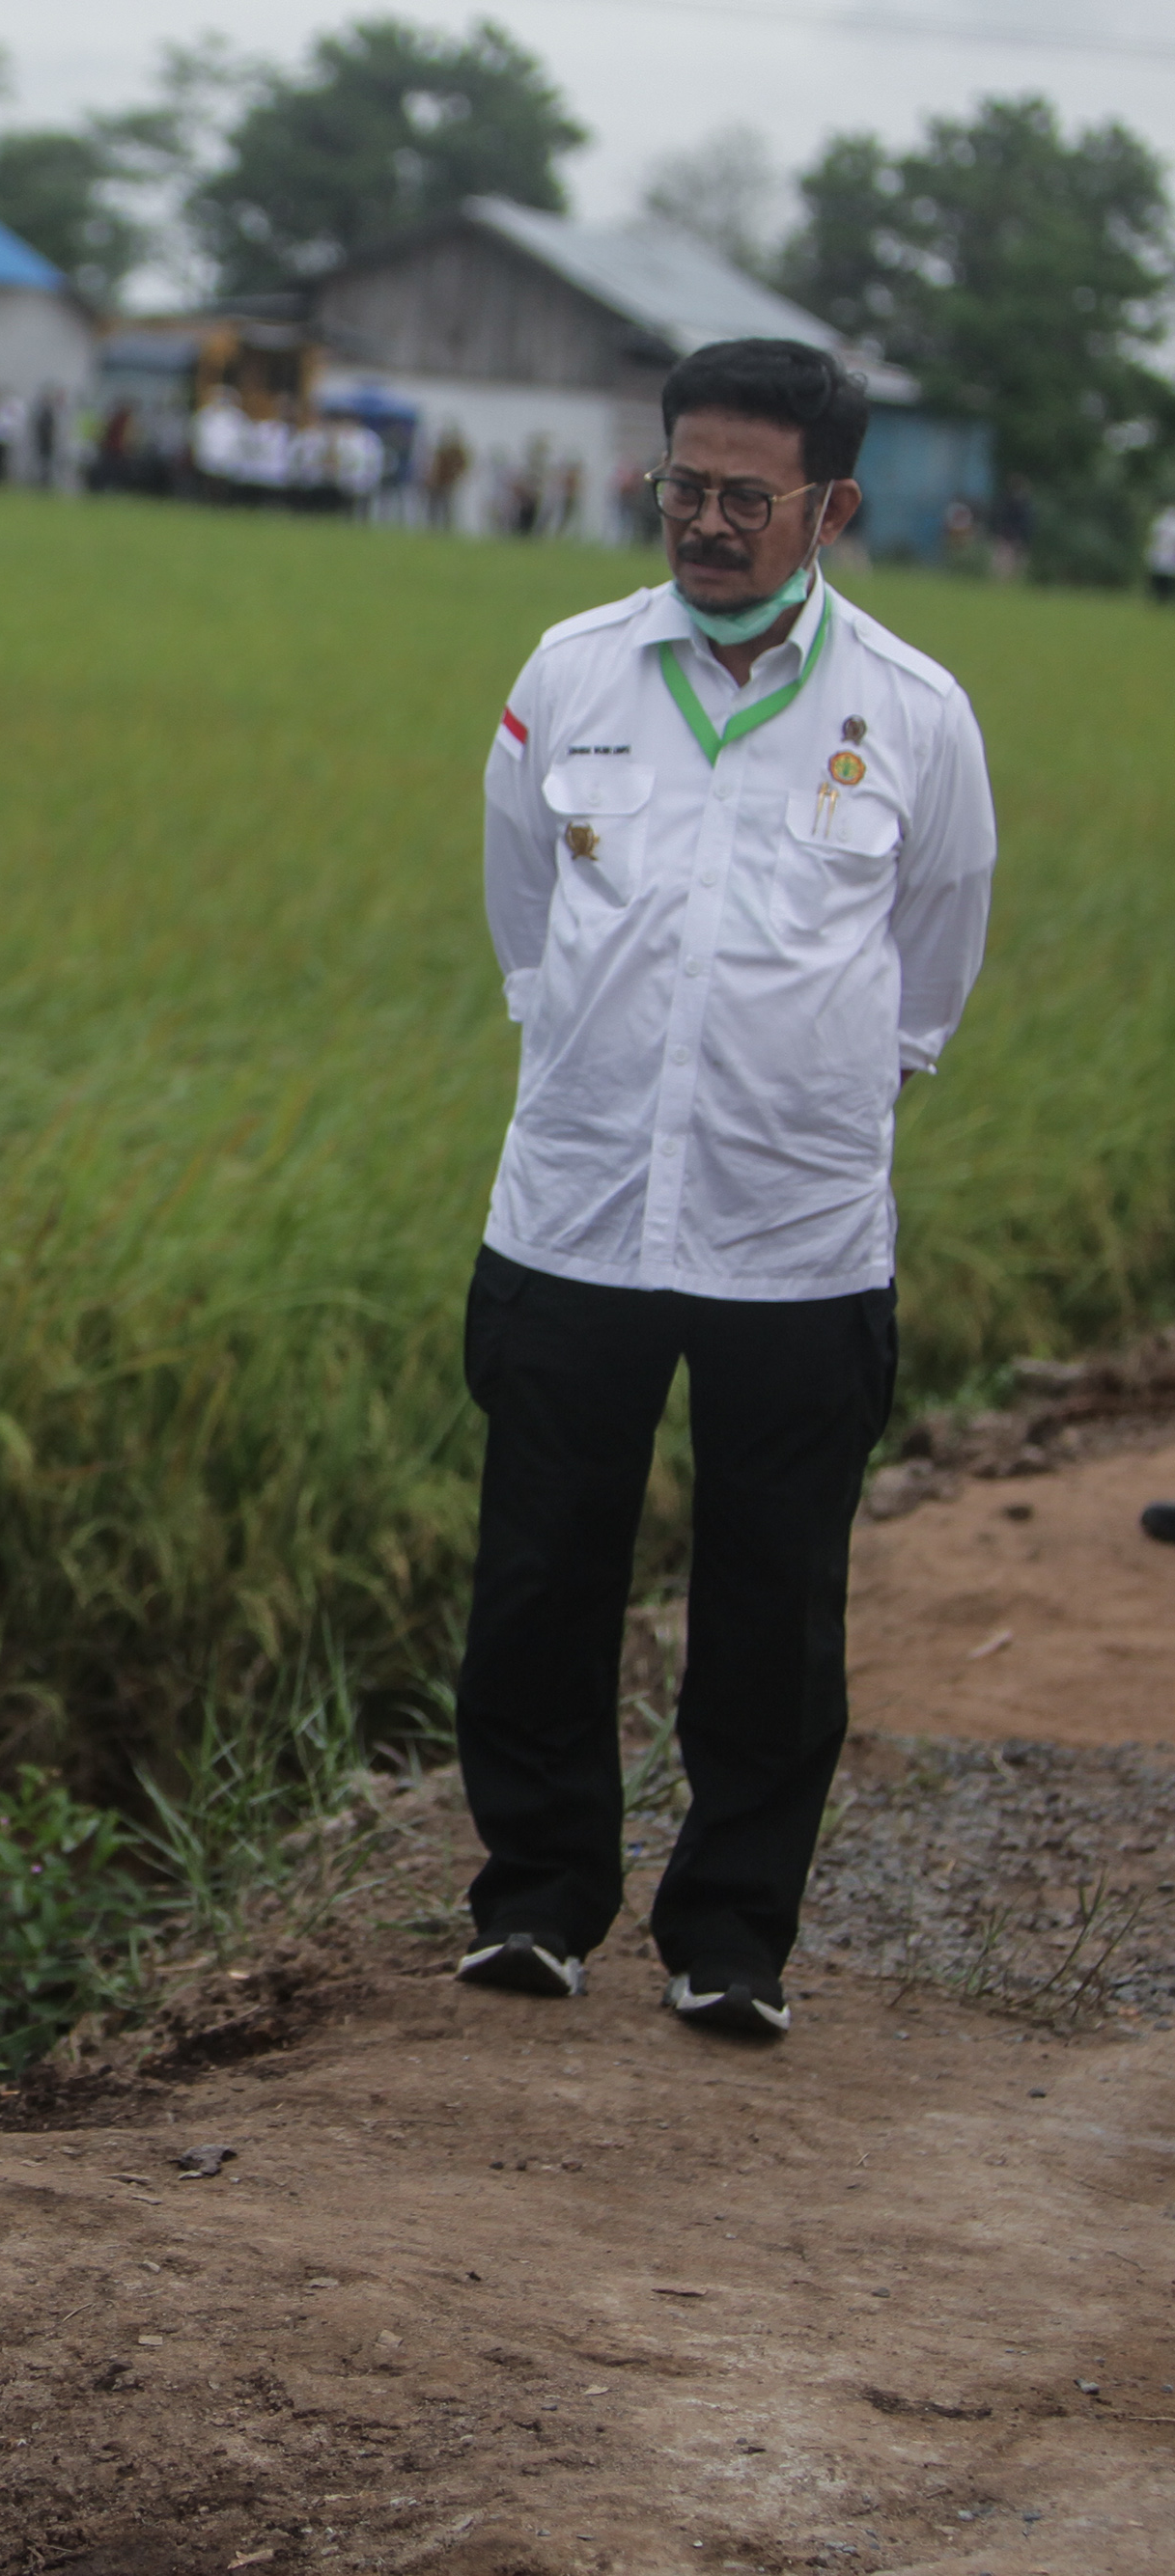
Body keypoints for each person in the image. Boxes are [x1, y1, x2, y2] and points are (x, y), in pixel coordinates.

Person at [454, 339, 994, 2041]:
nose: (699, 520)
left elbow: (929, 969)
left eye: (738, 496)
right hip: (573, 1212)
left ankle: (729, 1934)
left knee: (772, 1598)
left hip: (795, 1231)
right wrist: (605, 1070)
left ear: (824, 504)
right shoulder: (570, 667)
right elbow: (523, 916)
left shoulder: (909, 712)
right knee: (538, 1574)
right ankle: (534, 1900)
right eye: (677, 486)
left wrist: (808, 1087)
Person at [1150, 498, 1175, 606]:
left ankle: (1164, 597)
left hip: (1167, 553)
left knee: (1165, 576)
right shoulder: (1161, 524)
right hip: (1161, 552)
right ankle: (1160, 597)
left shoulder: (1161, 524)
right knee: (1160, 576)